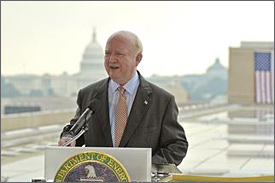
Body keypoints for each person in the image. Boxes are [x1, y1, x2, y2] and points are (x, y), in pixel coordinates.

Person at [58, 30, 188, 166]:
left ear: (137, 59)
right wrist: (68, 138)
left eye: (119, 54)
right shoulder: (88, 94)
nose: (111, 59)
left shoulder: (162, 101)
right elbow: (75, 131)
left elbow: (177, 146)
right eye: (107, 53)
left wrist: (147, 167)